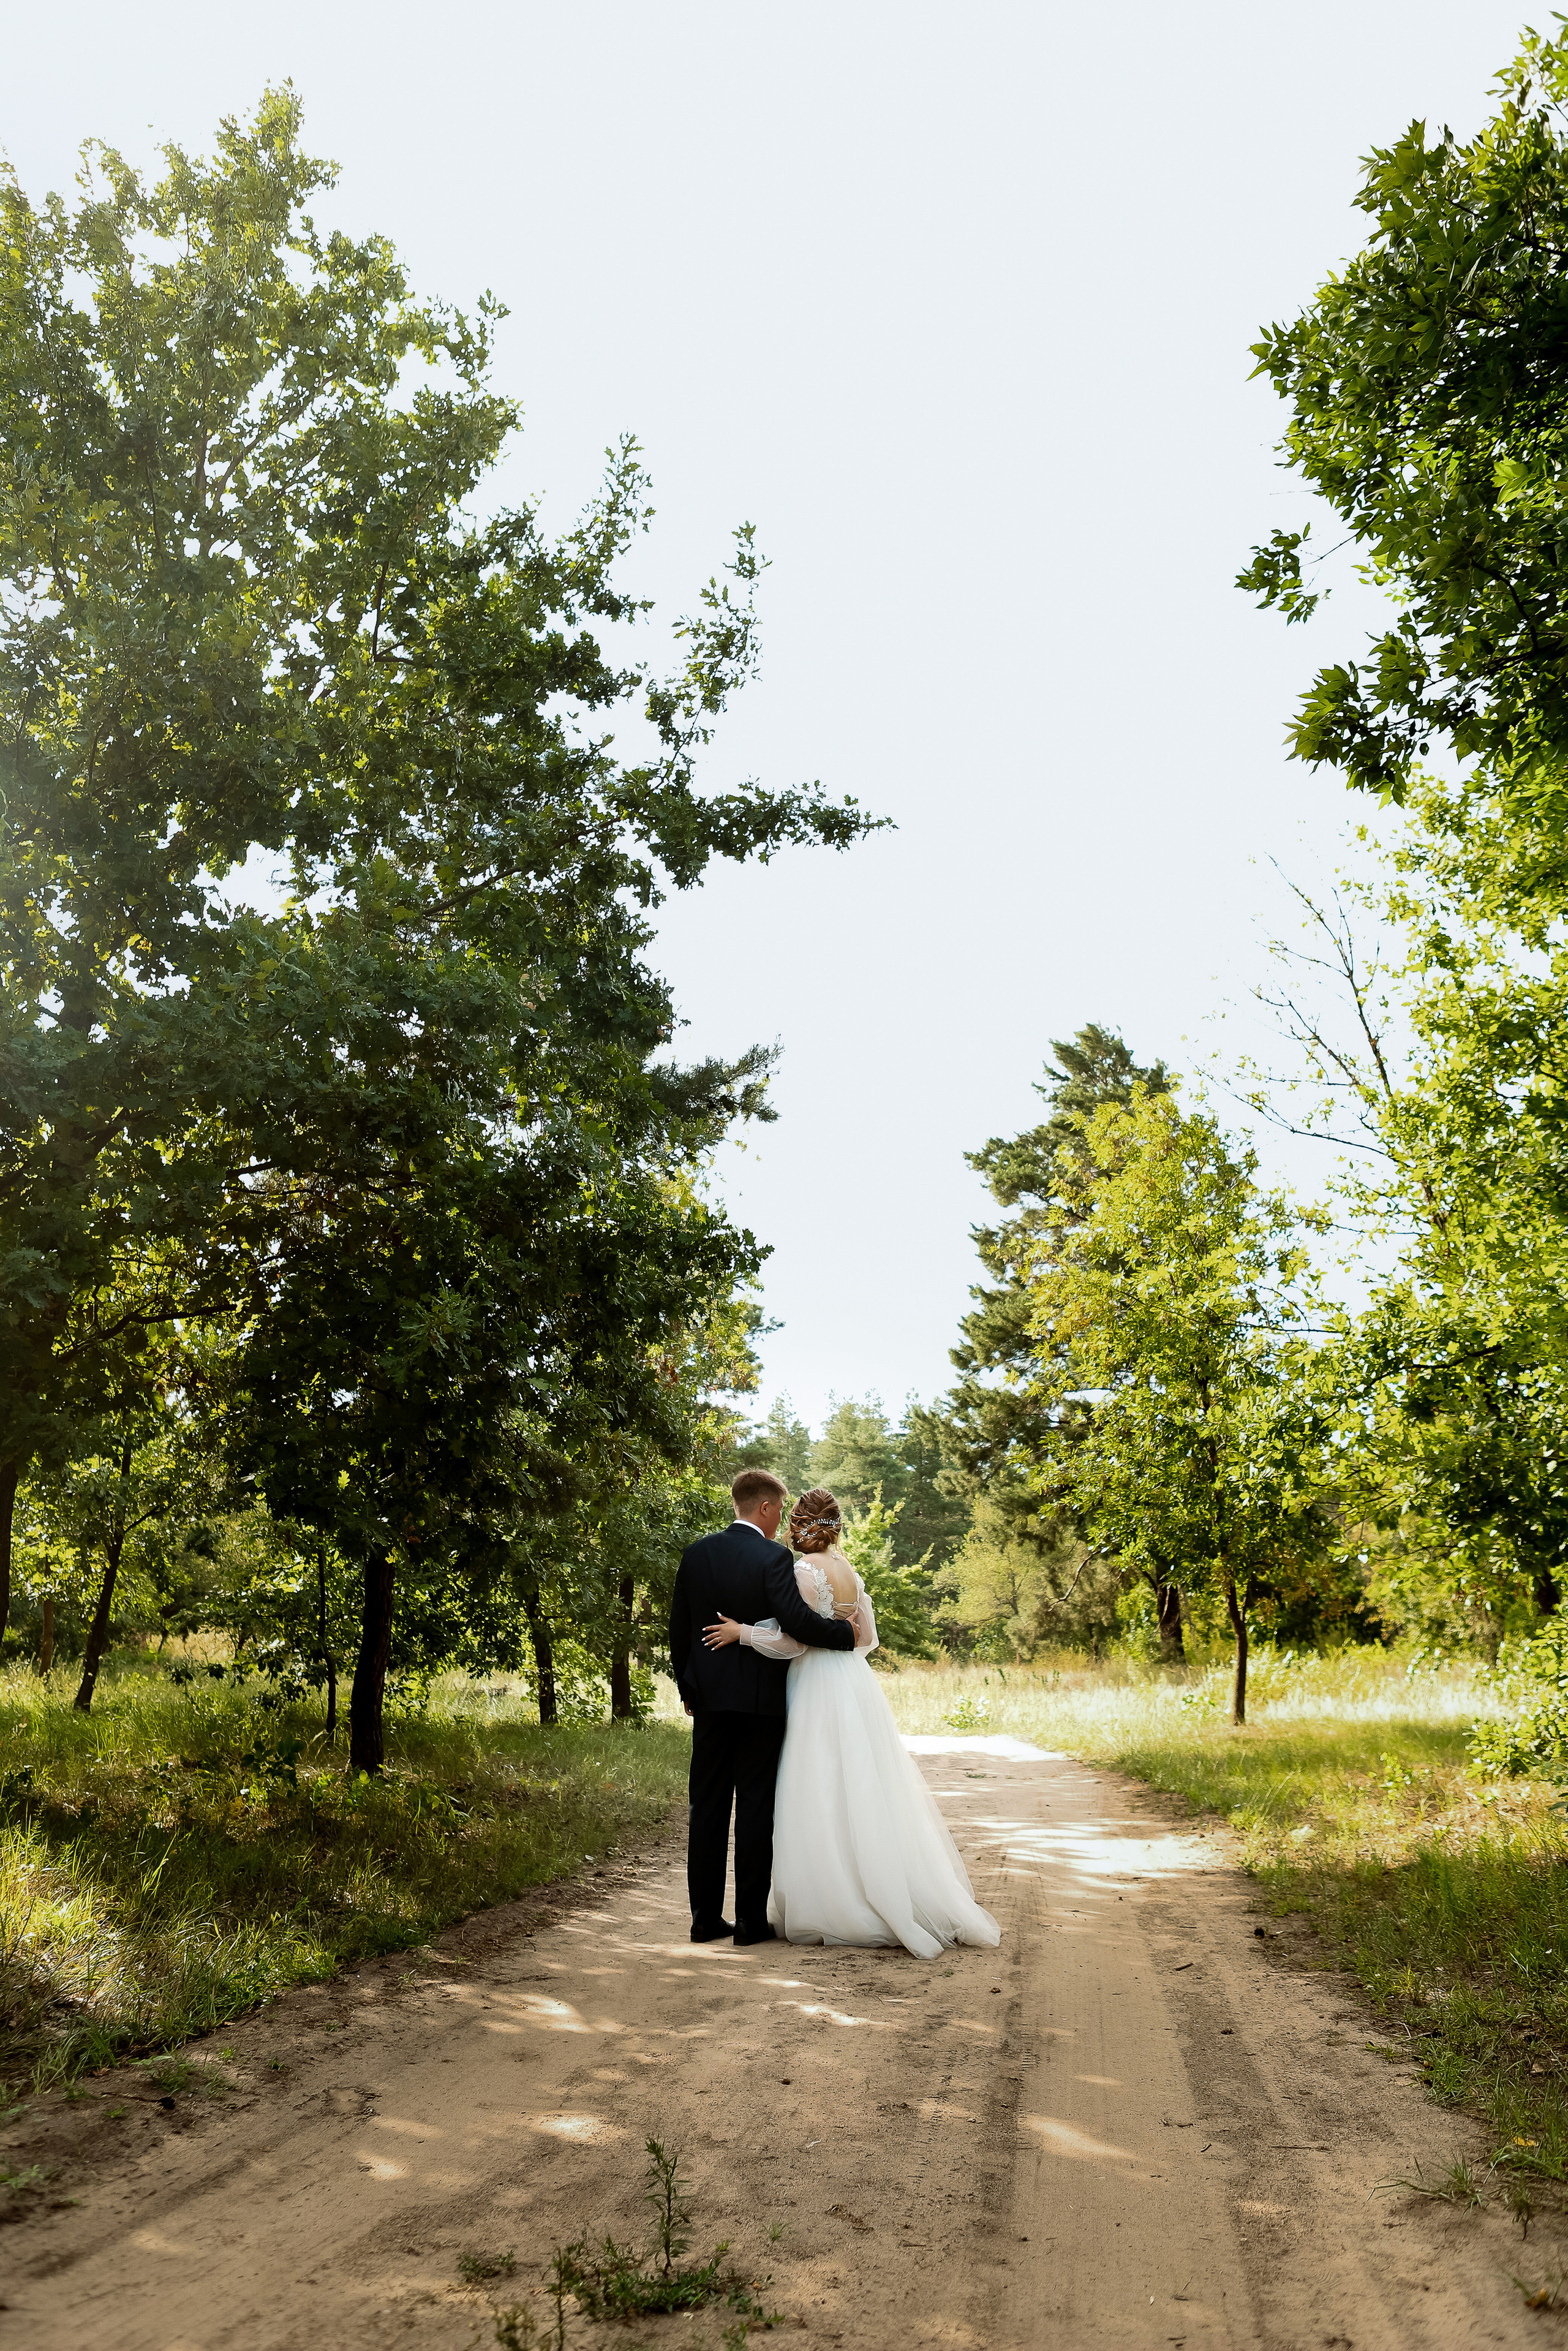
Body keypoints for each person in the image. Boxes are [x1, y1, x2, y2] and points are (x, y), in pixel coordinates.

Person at [703, 1486, 1000, 1957]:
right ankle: (870, 1886)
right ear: (835, 1526)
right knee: (859, 1783)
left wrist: (744, 1633)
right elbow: (866, 1639)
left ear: (800, 1525)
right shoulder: (850, 1572)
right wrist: (841, 1650)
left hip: (814, 1684)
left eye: (793, 1522)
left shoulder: (803, 1571)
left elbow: (795, 1641)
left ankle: (832, 1900)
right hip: (852, 1681)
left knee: (817, 1786)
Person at [668, 1468, 856, 1944]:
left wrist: (689, 1691)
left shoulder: (696, 1554)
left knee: (707, 1806)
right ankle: (750, 1922)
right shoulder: (772, 1557)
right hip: (760, 1703)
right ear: (765, 1507)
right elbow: (796, 1623)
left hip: (710, 1703)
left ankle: (704, 1920)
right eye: (779, 1511)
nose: (781, 1523)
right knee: (754, 1806)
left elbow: (679, 1630)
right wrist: (845, 1634)